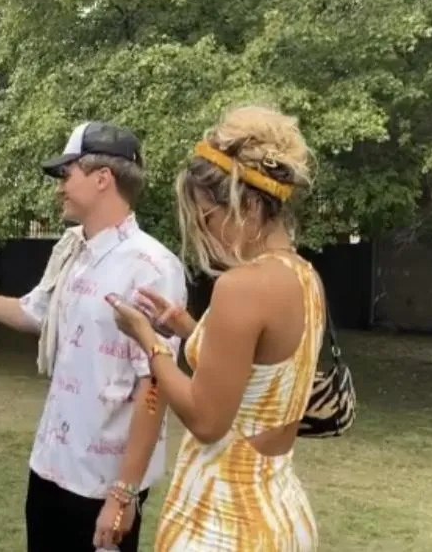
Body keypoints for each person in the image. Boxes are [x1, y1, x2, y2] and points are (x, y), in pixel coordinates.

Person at [0, 122, 188, 552]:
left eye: (67, 174)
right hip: (49, 467)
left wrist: (123, 493)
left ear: (103, 178)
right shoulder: (73, 254)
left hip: (101, 484)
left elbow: (154, 383)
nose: (59, 187)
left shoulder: (153, 266)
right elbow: (33, 313)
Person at [106, 105, 322, 551]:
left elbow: (207, 420)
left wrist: (148, 340)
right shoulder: (304, 276)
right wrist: (188, 328)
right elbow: (259, 374)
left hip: (224, 521)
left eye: (206, 216)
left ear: (245, 205)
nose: (206, 232)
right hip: (281, 511)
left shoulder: (241, 287)